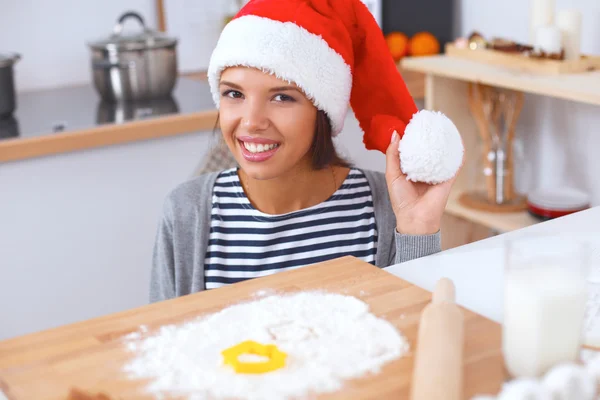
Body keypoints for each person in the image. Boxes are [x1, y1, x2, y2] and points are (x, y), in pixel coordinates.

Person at [150, 0, 463, 302]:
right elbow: (162, 346)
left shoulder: (387, 208)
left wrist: (417, 230)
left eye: (282, 97)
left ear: (321, 111)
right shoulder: (185, 213)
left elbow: (418, 335)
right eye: (234, 93)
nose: (251, 121)